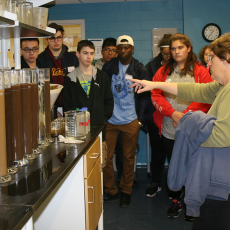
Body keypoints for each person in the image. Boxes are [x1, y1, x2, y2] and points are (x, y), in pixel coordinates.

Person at [129, 32, 230, 230]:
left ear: (227, 58)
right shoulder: (222, 87)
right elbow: (195, 90)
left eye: (211, 59)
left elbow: (222, 135)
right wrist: (155, 84)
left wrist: (187, 133)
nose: (208, 65)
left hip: (220, 179)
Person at [146, 33, 213, 219]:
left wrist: (184, 116)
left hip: (193, 129)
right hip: (170, 129)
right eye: (173, 49)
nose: (176, 52)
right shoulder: (164, 71)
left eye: (180, 48)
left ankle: (192, 204)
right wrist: (172, 113)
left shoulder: (200, 71)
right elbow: (155, 94)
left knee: (192, 167)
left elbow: (207, 97)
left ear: (188, 48)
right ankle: (175, 200)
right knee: (175, 166)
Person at [102, 35, 150, 207]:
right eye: (120, 48)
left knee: (128, 158)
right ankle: (110, 190)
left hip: (130, 120)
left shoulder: (139, 69)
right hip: (111, 121)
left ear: (132, 49)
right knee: (106, 158)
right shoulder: (108, 67)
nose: (123, 51)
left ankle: (126, 191)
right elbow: (102, 92)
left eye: (126, 47)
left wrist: (140, 120)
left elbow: (145, 97)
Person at [62, 40, 114, 144]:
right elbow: (66, 106)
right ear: (78, 54)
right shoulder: (70, 79)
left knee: (100, 159)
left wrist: (102, 119)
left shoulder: (102, 76)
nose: (89, 57)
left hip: (98, 130)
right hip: (77, 134)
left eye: (91, 53)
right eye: (85, 53)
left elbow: (109, 101)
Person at [144, 34, 172, 198]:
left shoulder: (179, 67)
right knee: (157, 151)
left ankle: (175, 187)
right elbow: (148, 93)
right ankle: (155, 182)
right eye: (165, 54)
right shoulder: (151, 66)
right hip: (155, 116)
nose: (168, 57)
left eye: (170, 53)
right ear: (160, 51)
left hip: (173, 118)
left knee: (173, 154)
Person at [38, 23, 79, 117]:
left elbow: (76, 85)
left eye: (59, 37)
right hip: (49, 107)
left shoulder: (72, 58)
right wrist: (50, 108)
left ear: (63, 37)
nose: (56, 41)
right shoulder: (40, 59)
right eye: (52, 38)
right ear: (46, 39)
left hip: (69, 107)